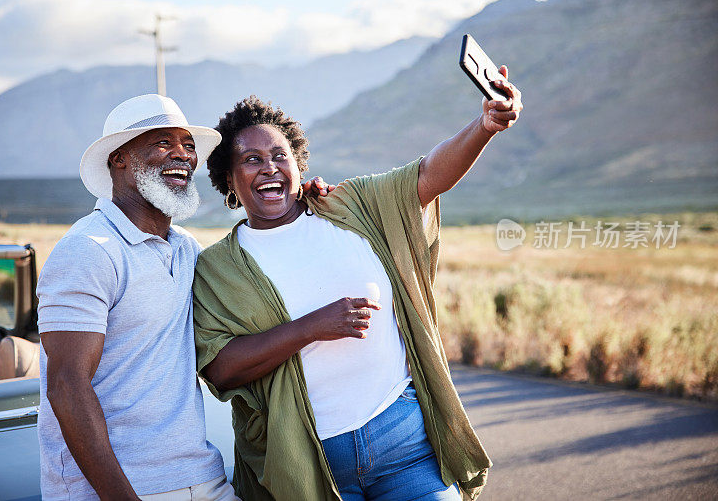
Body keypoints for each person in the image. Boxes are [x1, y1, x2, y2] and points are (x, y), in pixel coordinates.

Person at [193, 67, 522, 500]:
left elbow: (426, 175)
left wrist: (485, 126)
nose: (269, 167)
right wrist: (310, 328)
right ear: (229, 178)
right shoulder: (219, 268)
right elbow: (220, 366)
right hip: (309, 466)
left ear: (298, 163)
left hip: (404, 444)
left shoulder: (351, 206)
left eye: (280, 155)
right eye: (251, 159)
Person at [37, 94, 235, 500]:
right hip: (121, 488)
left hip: (203, 477)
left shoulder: (185, 249)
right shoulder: (88, 250)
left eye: (188, 145)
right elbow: (66, 384)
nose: (182, 155)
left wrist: (306, 205)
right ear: (119, 160)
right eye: (163, 143)